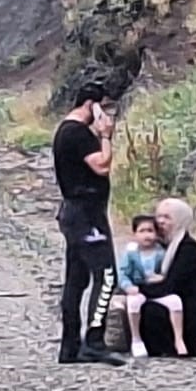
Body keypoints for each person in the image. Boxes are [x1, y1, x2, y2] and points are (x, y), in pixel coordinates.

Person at [52, 85, 126, 366]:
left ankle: (70, 347)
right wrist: (106, 136)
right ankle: (94, 341)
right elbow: (102, 166)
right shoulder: (78, 134)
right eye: (103, 108)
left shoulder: (66, 131)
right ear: (92, 105)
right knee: (106, 276)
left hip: (76, 213)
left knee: (77, 279)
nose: (106, 114)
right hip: (86, 215)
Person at [134, 198, 196, 358]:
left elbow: (169, 286)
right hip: (179, 306)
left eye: (167, 217)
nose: (160, 221)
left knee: (148, 310)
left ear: (180, 221)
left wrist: (136, 290)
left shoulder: (188, 249)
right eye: (158, 216)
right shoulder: (161, 248)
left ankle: (172, 345)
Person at [119, 214, 184, 359]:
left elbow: (166, 271)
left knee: (175, 301)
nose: (146, 235)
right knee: (134, 302)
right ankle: (136, 339)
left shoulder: (161, 253)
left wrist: (161, 278)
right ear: (134, 234)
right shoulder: (131, 254)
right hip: (139, 289)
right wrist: (127, 286)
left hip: (156, 290)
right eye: (142, 231)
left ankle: (179, 339)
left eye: (150, 231)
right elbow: (122, 273)